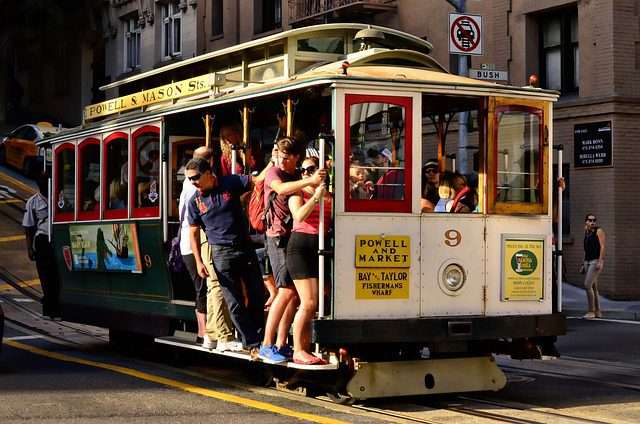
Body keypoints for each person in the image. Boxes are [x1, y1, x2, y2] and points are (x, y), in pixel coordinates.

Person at [258, 137, 327, 363]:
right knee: (285, 291)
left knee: (296, 295)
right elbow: (283, 191)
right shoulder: (276, 174)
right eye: (278, 155)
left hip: (292, 239)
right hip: (278, 238)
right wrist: (313, 186)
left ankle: (281, 343)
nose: (279, 159)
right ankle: (267, 344)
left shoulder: (295, 176)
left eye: (285, 156)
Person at [186, 158, 265, 351]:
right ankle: (252, 342)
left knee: (256, 293)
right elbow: (193, 232)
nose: (193, 182)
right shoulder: (194, 201)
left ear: (208, 173)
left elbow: (258, 180)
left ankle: (259, 335)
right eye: (189, 179)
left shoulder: (230, 182)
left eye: (195, 177)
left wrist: (273, 160)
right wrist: (198, 261)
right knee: (233, 299)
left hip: (244, 246)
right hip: (220, 252)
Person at [185, 146, 238, 351]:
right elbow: (192, 227)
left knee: (212, 287)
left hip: (202, 240)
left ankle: (211, 334)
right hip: (208, 240)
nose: (193, 180)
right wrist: (198, 258)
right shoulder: (198, 186)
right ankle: (222, 335)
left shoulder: (195, 182)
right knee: (217, 286)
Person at [286, 156, 332, 365]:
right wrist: (316, 197)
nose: (306, 173)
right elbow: (299, 216)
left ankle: (319, 344)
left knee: (323, 299)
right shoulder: (298, 193)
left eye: (311, 169)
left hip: (321, 248)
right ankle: (298, 350)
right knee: (309, 302)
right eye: (303, 170)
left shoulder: (331, 197)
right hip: (301, 247)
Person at [23, 172, 61, 319]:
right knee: (46, 276)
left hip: (57, 240)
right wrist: (29, 248)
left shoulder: (59, 198)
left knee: (57, 275)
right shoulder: (33, 202)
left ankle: (58, 307)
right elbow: (28, 227)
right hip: (43, 241)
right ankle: (49, 309)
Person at [582, 213, 605, 319]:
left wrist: (600, 261)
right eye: (590, 220)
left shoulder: (598, 231)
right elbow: (586, 249)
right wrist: (583, 263)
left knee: (587, 285)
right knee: (594, 287)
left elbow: (602, 246)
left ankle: (591, 311)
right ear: (586, 221)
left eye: (594, 220)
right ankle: (598, 312)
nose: (592, 222)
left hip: (595, 261)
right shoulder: (586, 232)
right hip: (587, 261)